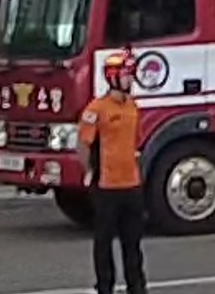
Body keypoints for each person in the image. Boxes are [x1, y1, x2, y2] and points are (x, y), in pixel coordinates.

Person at [84, 51, 149, 294]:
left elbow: (137, 141)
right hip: (106, 186)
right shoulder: (96, 109)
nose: (131, 80)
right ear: (113, 78)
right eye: (126, 75)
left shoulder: (133, 107)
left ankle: (137, 286)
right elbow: (84, 143)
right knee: (103, 242)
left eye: (131, 76)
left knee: (132, 242)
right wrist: (90, 171)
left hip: (131, 185)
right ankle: (104, 286)